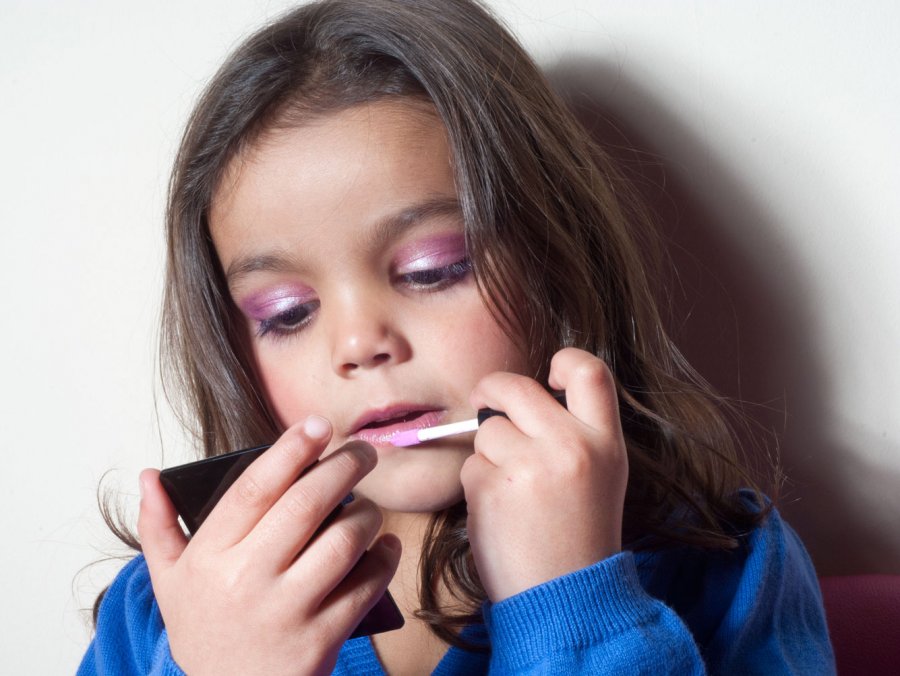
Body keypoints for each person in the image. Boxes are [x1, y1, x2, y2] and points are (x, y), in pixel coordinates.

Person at [78, 0, 835, 673]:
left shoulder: (727, 566)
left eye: (431, 271)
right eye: (287, 313)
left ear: (556, 264)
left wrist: (572, 609)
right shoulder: (163, 615)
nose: (359, 343)